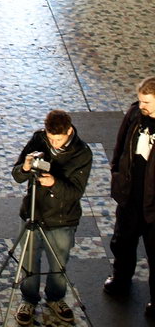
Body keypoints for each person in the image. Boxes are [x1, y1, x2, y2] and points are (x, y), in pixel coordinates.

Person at [11, 110, 92, 326]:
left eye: (58, 139)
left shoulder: (82, 153)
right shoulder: (39, 139)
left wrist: (54, 183)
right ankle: (28, 299)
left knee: (58, 263)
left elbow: (76, 192)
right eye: (50, 138)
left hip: (62, 219)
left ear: (69, 131)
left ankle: (55, 298)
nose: (53, 143)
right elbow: (17, 175)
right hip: (33, 212)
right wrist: (26, 167)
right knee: (29, 260)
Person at [104, 77, 155, 318]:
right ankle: (120, 280)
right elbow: (121, 144)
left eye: (147, 101)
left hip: (153, 204)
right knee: (122, 242)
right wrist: (116, 171)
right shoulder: (135, 114)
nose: (142, 105)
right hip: (130, 196)